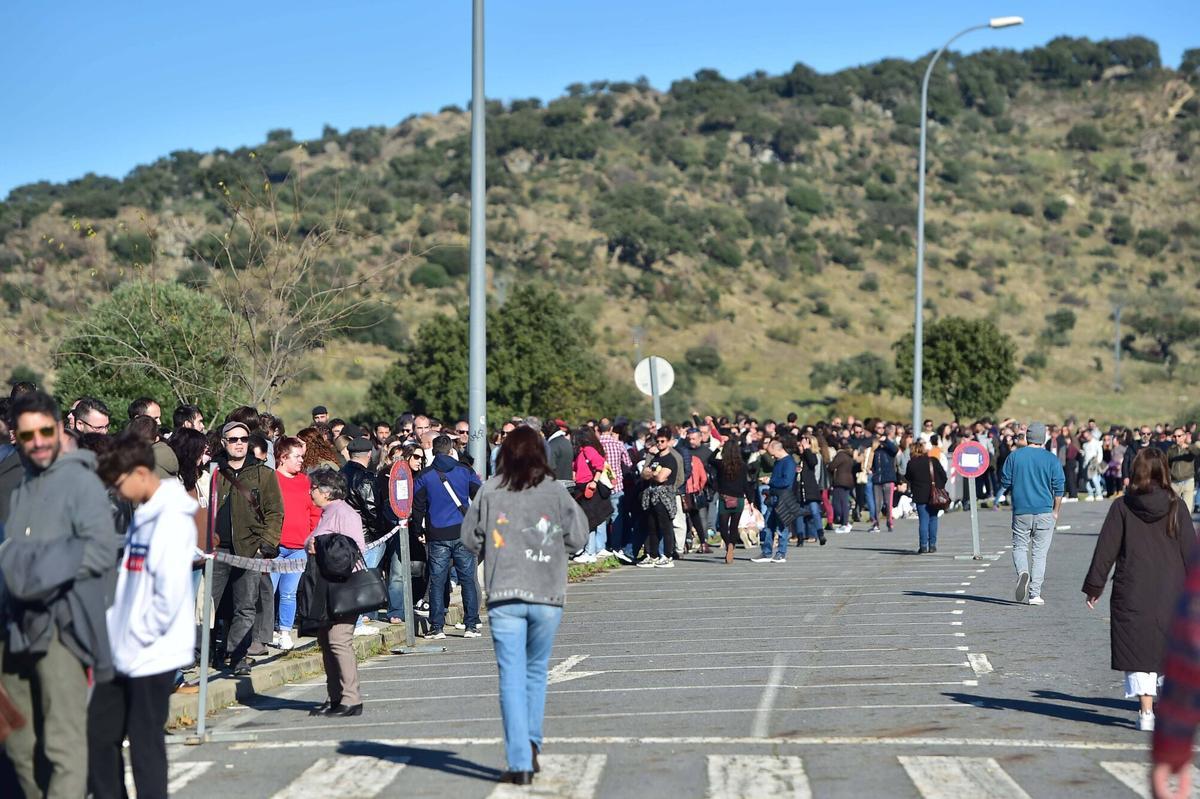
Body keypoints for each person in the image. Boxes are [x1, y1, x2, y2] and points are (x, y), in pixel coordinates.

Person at [0, 390, 119, 799]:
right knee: (17, 743)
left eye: (44, 431)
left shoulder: (80, 482)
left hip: (60, 626)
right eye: (27, 433)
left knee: (62, 743)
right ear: (14, 435)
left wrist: (39, 571)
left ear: (59, 429)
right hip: (12, 627)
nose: (37, 441)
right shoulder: (15, 485)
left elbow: (101, 549)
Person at [460, 426, 587, 785]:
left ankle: (519, 761)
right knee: (536, 673)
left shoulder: (490, 490)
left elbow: (469, 538)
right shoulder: (554, 491)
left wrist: (493, 543)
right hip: (547, 594)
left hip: (504, 595)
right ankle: (532, 742)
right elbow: (578, 536)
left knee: (511, 678)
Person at [89, 433, 197, 799]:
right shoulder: (147, 514)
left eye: (119, 484)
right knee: (100, 733)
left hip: (152, 650)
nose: (118, 493)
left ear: (140, 473)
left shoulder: (170, 519)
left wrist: (135, 633)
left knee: (144, 742)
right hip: (123, 647)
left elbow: (167, 596)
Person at [1083, 447, 1196, 732]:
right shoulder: (1176, 506)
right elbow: (1190, 552)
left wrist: (1094, 586)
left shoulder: (1122, 506)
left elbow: (1105, 550)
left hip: (1132, 588)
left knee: (1139, 652)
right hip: (1172, 589)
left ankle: (1146, 713)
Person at [206, 421, 284, 674]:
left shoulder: (264, 474)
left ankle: (237, 655)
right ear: (223, 442)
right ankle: (207, 654)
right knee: (209, 605)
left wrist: (266, 545)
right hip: (217, 551)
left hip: (250, 549)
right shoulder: (211, 472)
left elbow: (275, 512)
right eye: (233, 439)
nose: (239, 443)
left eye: (243, 439)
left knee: (246, 606)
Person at [302, 466, 365, 717]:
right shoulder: (329, 512)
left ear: (326, 490)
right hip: (327, 587)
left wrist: (321, 546)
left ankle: (351, 699)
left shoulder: (343, 512)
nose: (311, 493)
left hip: (343, 586)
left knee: (339, 641)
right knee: (327, 642)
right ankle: (336, 696)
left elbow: (352, 550)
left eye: (314, 488)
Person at [411, 434, 483, 639]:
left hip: (437, 534)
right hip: (463, 530)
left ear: (433, 451)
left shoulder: (425, 476)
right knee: (468, 579)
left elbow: (418, 507)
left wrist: (419, 531)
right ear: (451, 450)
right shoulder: (465, 470)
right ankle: (471, 625)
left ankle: (437, 627)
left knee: (437, 580)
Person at [999, 421, 1065, 606]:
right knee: (1039, 554)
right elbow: (1059, 487)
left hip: (1021, 510)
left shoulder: (1015, 456)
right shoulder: (1051, 459)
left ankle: (1022, 572)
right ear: (1043, 438)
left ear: (1027, 437)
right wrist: (1056, 511)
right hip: (1045, 511)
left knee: (1020, 546)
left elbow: (1005, 481)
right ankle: (1035, 594)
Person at [274, 436, 321, 650]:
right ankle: (264, 632)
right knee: (268, 591)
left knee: (289, 592)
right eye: (297, 456)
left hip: (297, 548)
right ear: (283, 457)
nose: (301, 460)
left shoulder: (305, 481)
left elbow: (313, 511)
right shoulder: (271, 479)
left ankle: (284, 630)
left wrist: (312, 536)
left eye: (302, 456)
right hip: (274, 547)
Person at [753, 437, 800, 564]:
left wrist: (770, 481)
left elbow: (786, 481)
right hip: (773, 497)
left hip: (784, 498)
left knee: (782, 527)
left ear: (776, 449)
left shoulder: (789, 462)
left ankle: (781, 553)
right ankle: (767, 552)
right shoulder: (778, 462)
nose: (771, 457)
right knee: (769, 526)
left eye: (771, 453)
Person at [905, 440, 949, 554]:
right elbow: (943, 476)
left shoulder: (911, 463)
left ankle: (923, 546)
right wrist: (939, 487)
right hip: (934, 495)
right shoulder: (932, 461)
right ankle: (933, 545)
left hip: (920, 496)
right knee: (933, 519)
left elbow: (908, 477)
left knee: (923, 521)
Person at [713, 436, 750, 564]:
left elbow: (709, 460)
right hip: (739, 498)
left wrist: (718, 448)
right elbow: (746, 484)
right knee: (734, 526)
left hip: (725, 498)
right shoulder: (743, 466)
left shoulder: (721, 464)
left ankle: (728, 543)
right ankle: (731, 547)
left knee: (723, 527)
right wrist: (750, 500)